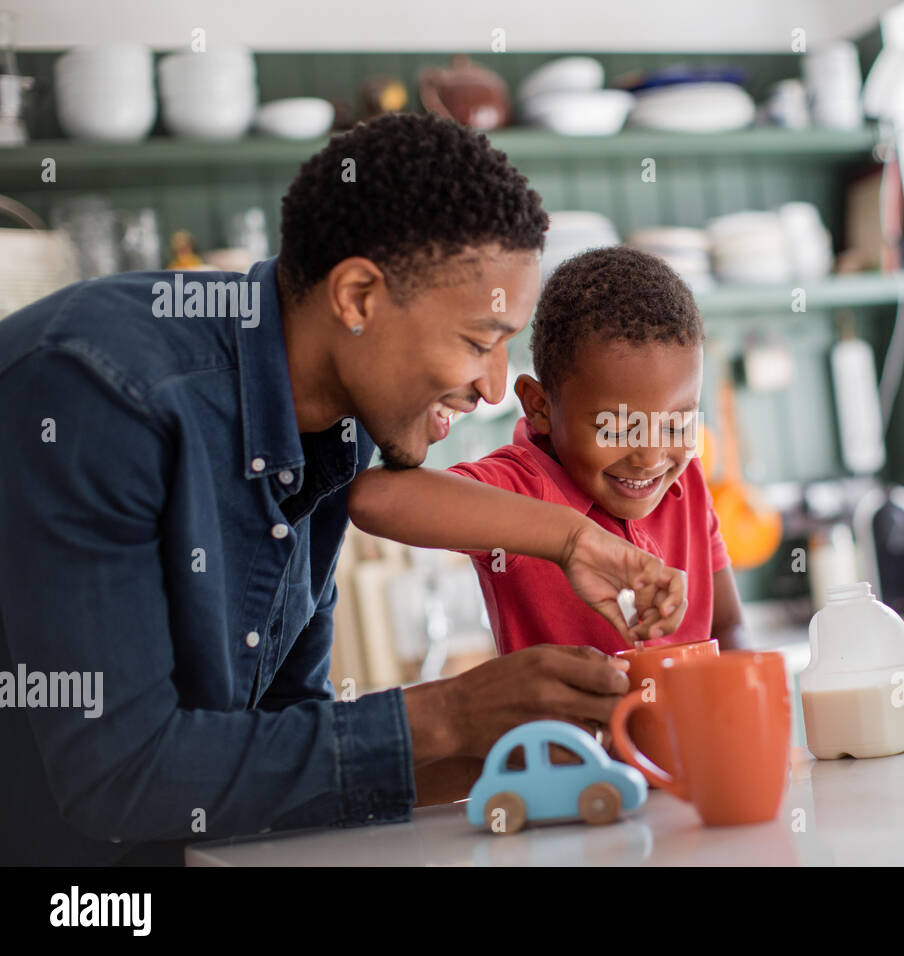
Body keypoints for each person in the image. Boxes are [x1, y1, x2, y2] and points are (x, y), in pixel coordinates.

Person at [0, 113, 684, 866]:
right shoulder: (99, 392)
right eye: (477, 342)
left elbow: (283, 739)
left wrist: (513, 756)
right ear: (357, 296)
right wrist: (452, 713)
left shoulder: (339, 433)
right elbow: (119, 778)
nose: (494, 388)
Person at [349, 246, 748, 654]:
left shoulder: (688, 483)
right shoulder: (520, 487)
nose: (650, 457)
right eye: (619, 427)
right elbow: (374, 498)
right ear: (539, 406)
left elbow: (729, 627)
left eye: (674, 425)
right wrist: (570, 540)